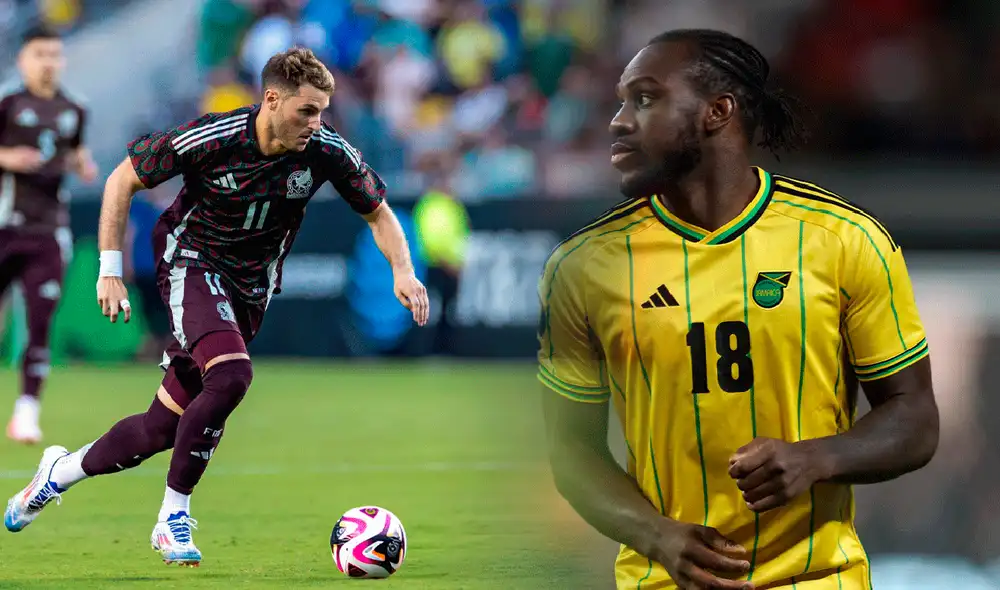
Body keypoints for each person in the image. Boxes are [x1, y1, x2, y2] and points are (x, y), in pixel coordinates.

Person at [538, 29, 939, 590]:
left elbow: (914, 418)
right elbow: (572, 450)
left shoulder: (844, 241)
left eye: (646, 99)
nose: (619, 121)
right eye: (621, 101)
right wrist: (656, 535)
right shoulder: (581, 267)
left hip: (819, 579)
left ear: (717, 111)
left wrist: (816, 458)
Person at [4, 47, 429, 567]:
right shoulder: (214, 137)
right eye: (307, 111)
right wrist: (109, 269)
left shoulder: (324, 150)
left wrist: (403, 270)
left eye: (322, 112)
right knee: (230, 377)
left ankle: (58, 473)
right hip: (192, 264)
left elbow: (379, 214)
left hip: (250, 293)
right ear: (271, 99)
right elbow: (121, 180)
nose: (316, 123)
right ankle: (172, 517)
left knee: (161, 428)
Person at [0, 26, 98, 444]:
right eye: (40, 54)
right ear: (23, 59)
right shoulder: (7, 103)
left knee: (40, 322)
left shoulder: (74, 108)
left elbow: (75, 150)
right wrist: (6, 157)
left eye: (55, 55)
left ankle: (26, 412)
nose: (48, 63)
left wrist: (83, 164)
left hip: (48, 230)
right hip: (4, 226)